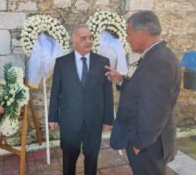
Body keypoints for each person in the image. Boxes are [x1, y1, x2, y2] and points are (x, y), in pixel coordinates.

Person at [106, 10, 181, 175]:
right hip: (147, 142)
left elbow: (155, 109)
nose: (127, 38)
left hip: (148, 146)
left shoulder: (160, 61)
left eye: (129, 33)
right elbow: (144, 90)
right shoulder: (154, 56)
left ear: (143, 33)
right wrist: (121, 81)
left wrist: (139, 143)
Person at [48, 25, 114, 175]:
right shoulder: (61, 63)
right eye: (83, 38)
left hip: (94, 120)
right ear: (74, 40)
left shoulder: (103, 62)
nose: (88, 41)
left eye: (90, 38)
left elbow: (107, 93)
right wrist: (52, 117)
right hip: (69, 120)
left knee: (92, 158)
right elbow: (56, 91)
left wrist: (108, 119)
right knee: (69, 159)